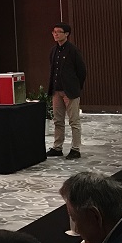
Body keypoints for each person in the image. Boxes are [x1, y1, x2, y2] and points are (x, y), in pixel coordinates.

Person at [45, 23, 87, 160]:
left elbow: (81, 71)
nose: (55, 34)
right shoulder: (53, 50)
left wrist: (76, 87)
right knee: (58, 120)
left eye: (59, 32)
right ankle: (57, 147)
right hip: (56, 91)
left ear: (67, 34)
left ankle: (75, 149)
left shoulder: (73, 50)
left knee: (74, 121)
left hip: (70, 91)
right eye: (54, 32)